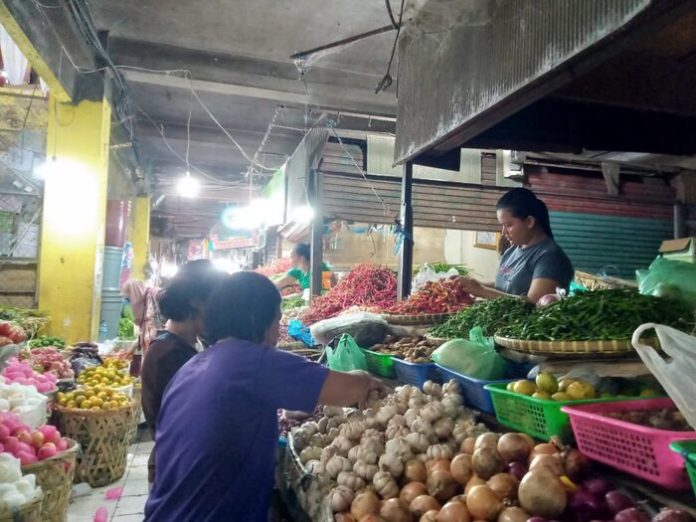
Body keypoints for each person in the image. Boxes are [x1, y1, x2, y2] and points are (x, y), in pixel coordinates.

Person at [145, 272, 388, 521]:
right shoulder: (253, 361)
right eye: (277, 320)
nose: (278, 331)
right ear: (255, 319)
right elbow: (348, 389)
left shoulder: (192, 366)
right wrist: (365, 380)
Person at [140, 265, 225, 485]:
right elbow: (193, 426)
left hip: (182, 468)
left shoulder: (188, 344)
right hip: (177, 475)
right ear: (197, 301)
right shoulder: (168, 356)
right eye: (219, 303)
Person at [459, 188, 574, 303]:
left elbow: (532, 304)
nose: (503, 232)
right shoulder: (513, 250)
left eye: (508, 225)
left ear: (529, 222)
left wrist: (483, 291)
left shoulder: (550, 257)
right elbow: (505, 287)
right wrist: (473, 285)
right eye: (502, 225)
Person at [121, 279, 162, 374]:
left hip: (160, 362)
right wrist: (131, 349)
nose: (129, 304)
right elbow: (145, 334)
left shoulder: (154, 295)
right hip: (151, 362)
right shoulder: (144, 315)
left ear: (135, 294)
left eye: (129, 299)